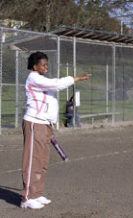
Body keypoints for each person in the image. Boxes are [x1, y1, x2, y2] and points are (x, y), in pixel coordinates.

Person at [21, 51, 90, 209]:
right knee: (32, 161)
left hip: (45, 124)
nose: (46, 67)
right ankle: (27, 198)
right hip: (34, 122)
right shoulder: (33, 78)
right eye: (43, 64)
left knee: (43, 160)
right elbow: (57, 84)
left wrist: (50, 125)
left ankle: (37, 193)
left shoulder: (42, 79)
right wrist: (76, 78)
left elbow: (50, 101)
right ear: (34, 66)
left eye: (47, 64)